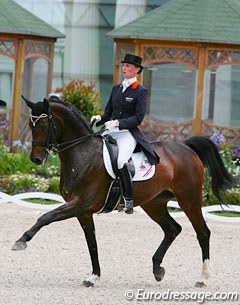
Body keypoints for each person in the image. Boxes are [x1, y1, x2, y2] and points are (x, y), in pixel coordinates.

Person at [91, 54, 159, 214]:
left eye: (128, 66)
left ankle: (128, 200)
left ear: (136, 70)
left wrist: (119, 123)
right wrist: (99, 118)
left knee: (121, 161)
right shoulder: (116, 88)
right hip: (110, 133)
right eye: (124, 66)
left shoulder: (140, 91)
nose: (124, 68)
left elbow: (138, 118)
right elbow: (108, 112)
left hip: (127, 134)